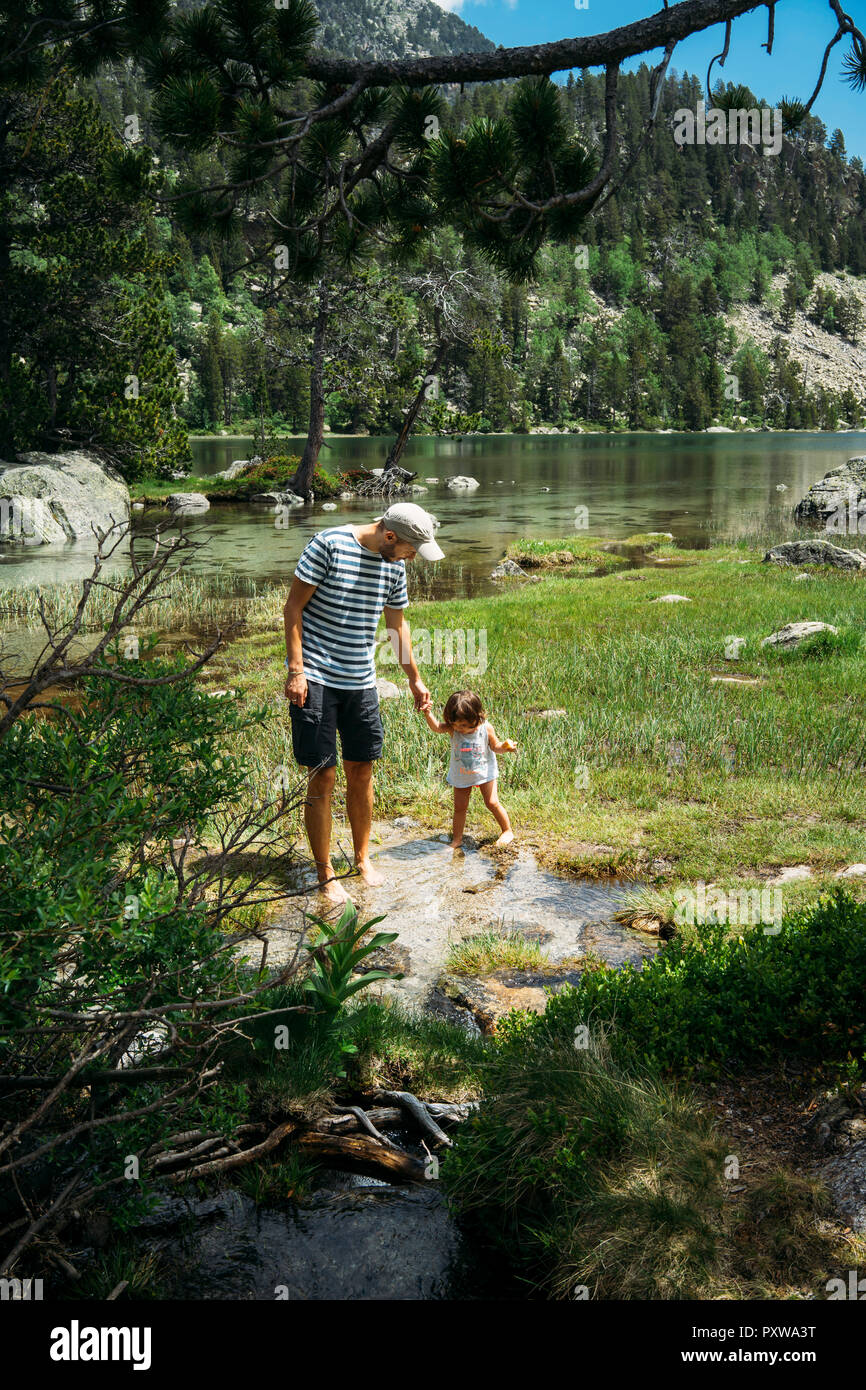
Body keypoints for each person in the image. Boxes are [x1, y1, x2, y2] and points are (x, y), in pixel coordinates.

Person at [283, 503, 443, 905]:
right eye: (410, 549)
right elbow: (293, 608)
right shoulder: (328, 545)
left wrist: (414, 678)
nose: (412, 558)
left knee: (362, 770)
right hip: (316, 677)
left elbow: (396, 626)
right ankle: (324, 872)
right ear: (390, 536)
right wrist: (296, 670)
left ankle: (362, 859)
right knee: (323, 775)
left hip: (361, 681)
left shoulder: (395, 564)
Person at [421, 688, 518, 848]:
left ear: (477, 717)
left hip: (485, 772)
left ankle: (507, 830)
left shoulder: (486, 728)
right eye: (456, 725)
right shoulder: (453, 729)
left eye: (465, 725)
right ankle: (457, 840)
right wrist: (427, 714)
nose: (461, 729)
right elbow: (437, 727)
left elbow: (495, 747)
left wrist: (506, 747)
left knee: (492, 802)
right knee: (460, 808)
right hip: (461, 775)